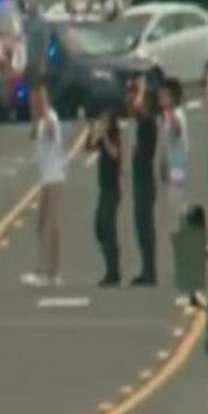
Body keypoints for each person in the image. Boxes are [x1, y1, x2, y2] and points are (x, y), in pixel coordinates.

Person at [22, 94, 67, 288]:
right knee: (44, 225)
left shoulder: (52, 119)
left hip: (54, 178)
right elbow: (32, 135)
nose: (33, 105)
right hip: (46, 179)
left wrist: (44, 104)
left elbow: (49, 131)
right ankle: (52, 271)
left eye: (36, 102)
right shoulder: (40, 122)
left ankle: (45, 272)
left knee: (50, 225)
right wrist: (35, 116)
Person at [88, 110, 123, 286]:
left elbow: (115, 155)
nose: (103, 123)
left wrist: (105, 137)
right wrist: (91, 131)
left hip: (112, 189)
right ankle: (111, 263)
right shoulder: (102, 138)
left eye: (106, 121)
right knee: (99, 227)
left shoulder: (115, 137)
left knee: (108, 228)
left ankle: (113, 270)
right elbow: (89, 148)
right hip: (104, 189)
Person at [130, 76, 158, 286]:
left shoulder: (149, 121)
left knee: (145, 226)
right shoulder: (144, 122)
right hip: (140, 177)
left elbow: (138, 108)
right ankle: (146, 269)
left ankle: (149, 271)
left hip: (145, 179)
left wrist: (141, 88)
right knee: (141, 226)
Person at [158, 78, 189, 235]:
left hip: (178, 167)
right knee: (174, 202)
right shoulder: (167, 117)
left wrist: (170, 115)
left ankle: (182, 233)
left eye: (165, 96)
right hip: (173, 166)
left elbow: (177, 131)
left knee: (177, 202)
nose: (161, 99)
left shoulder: (176, 115)